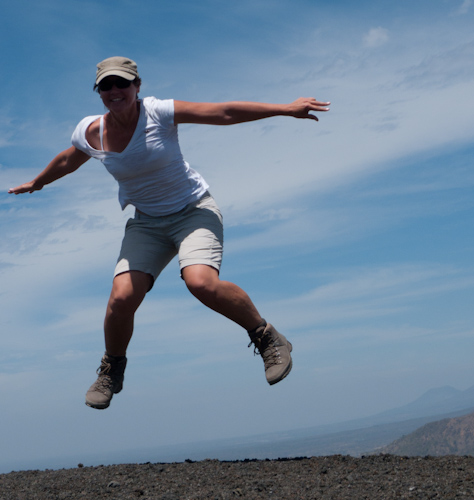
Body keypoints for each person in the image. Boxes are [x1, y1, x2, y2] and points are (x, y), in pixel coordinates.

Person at [9, 56, 330, 410]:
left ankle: (267, 337)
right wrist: (39, 182)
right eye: (106, 86)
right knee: (120, 299)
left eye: (122, 84)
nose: (115, 91)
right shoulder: (91, 130)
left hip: (193, 212)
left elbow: (221, 112)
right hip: (146, 223)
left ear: (137, 86)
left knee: (200, 283)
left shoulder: (158, 112)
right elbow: (70, 158)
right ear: (99, 92)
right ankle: (112, 368)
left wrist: (285, 109)